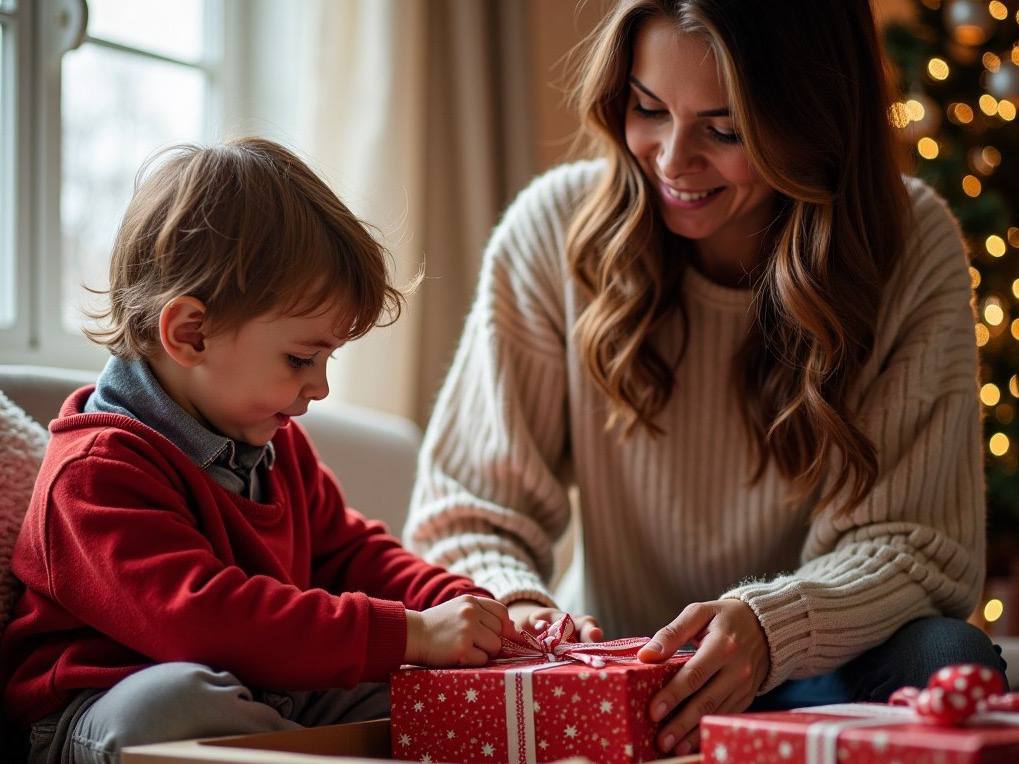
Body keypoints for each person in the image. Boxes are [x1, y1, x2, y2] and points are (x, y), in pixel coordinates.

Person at [405, 0, 1006, 756]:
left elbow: (917, 546)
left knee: (943, 654)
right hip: (616, 663)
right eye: (647, 108)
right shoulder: (550, 232)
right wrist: (523, 612)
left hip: (818, 664)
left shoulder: (909, 247)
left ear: (812, 120)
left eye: (724, 130)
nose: (670, 159)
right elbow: (465, 516)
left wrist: (770, 629)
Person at [0, 138, 516, 763]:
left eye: (327, 359)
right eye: (301, 358)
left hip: (268, 692)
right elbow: (202, 621)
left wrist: (467, 608)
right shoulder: (94, 473)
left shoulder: (277, 445)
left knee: (429, 691)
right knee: (172, 704)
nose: (319, 386)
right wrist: (408, 633)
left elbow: (355, 554)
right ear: (190, 334)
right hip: (102, 708)